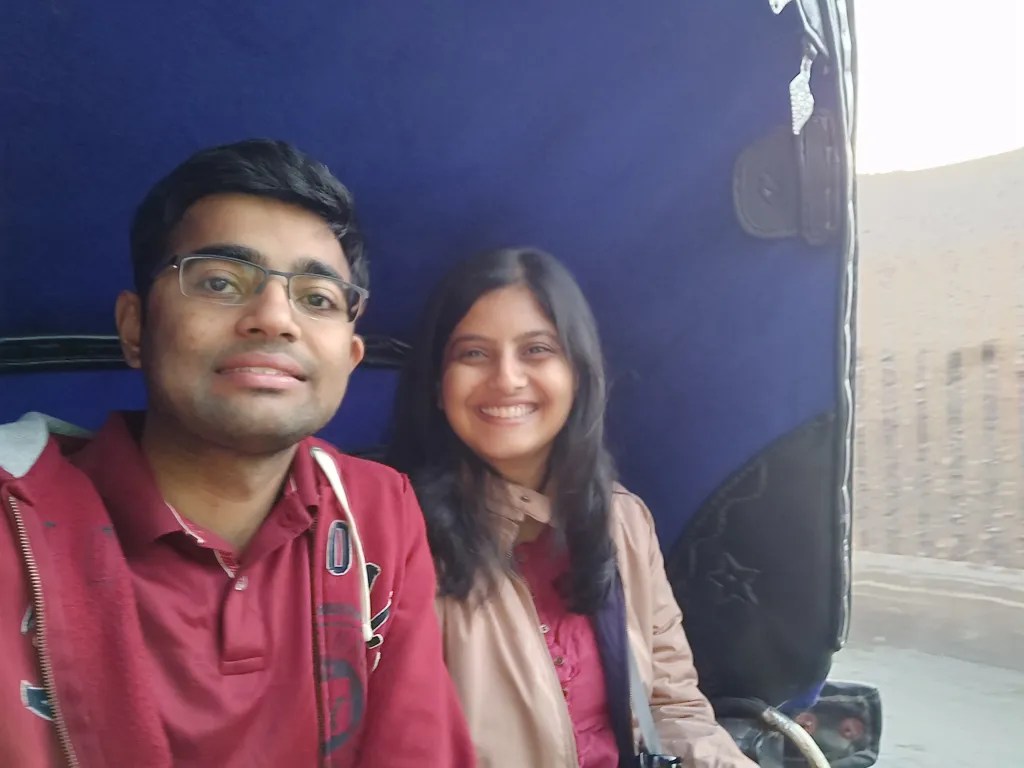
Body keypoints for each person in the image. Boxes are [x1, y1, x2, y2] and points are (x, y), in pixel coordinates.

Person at [0, 139, 475, 768]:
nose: (274, 318)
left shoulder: (378, 512)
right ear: (135, 327)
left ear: (351, 357)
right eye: (221, 281)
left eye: (317, 298)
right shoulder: (17, 519)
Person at [387, 247, 757, 767]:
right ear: (436, 383)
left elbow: (671, 708)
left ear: (578, 373)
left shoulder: (623, 522)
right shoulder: (390, 533)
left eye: (536, 350)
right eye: (473, 353)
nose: (507, 378)